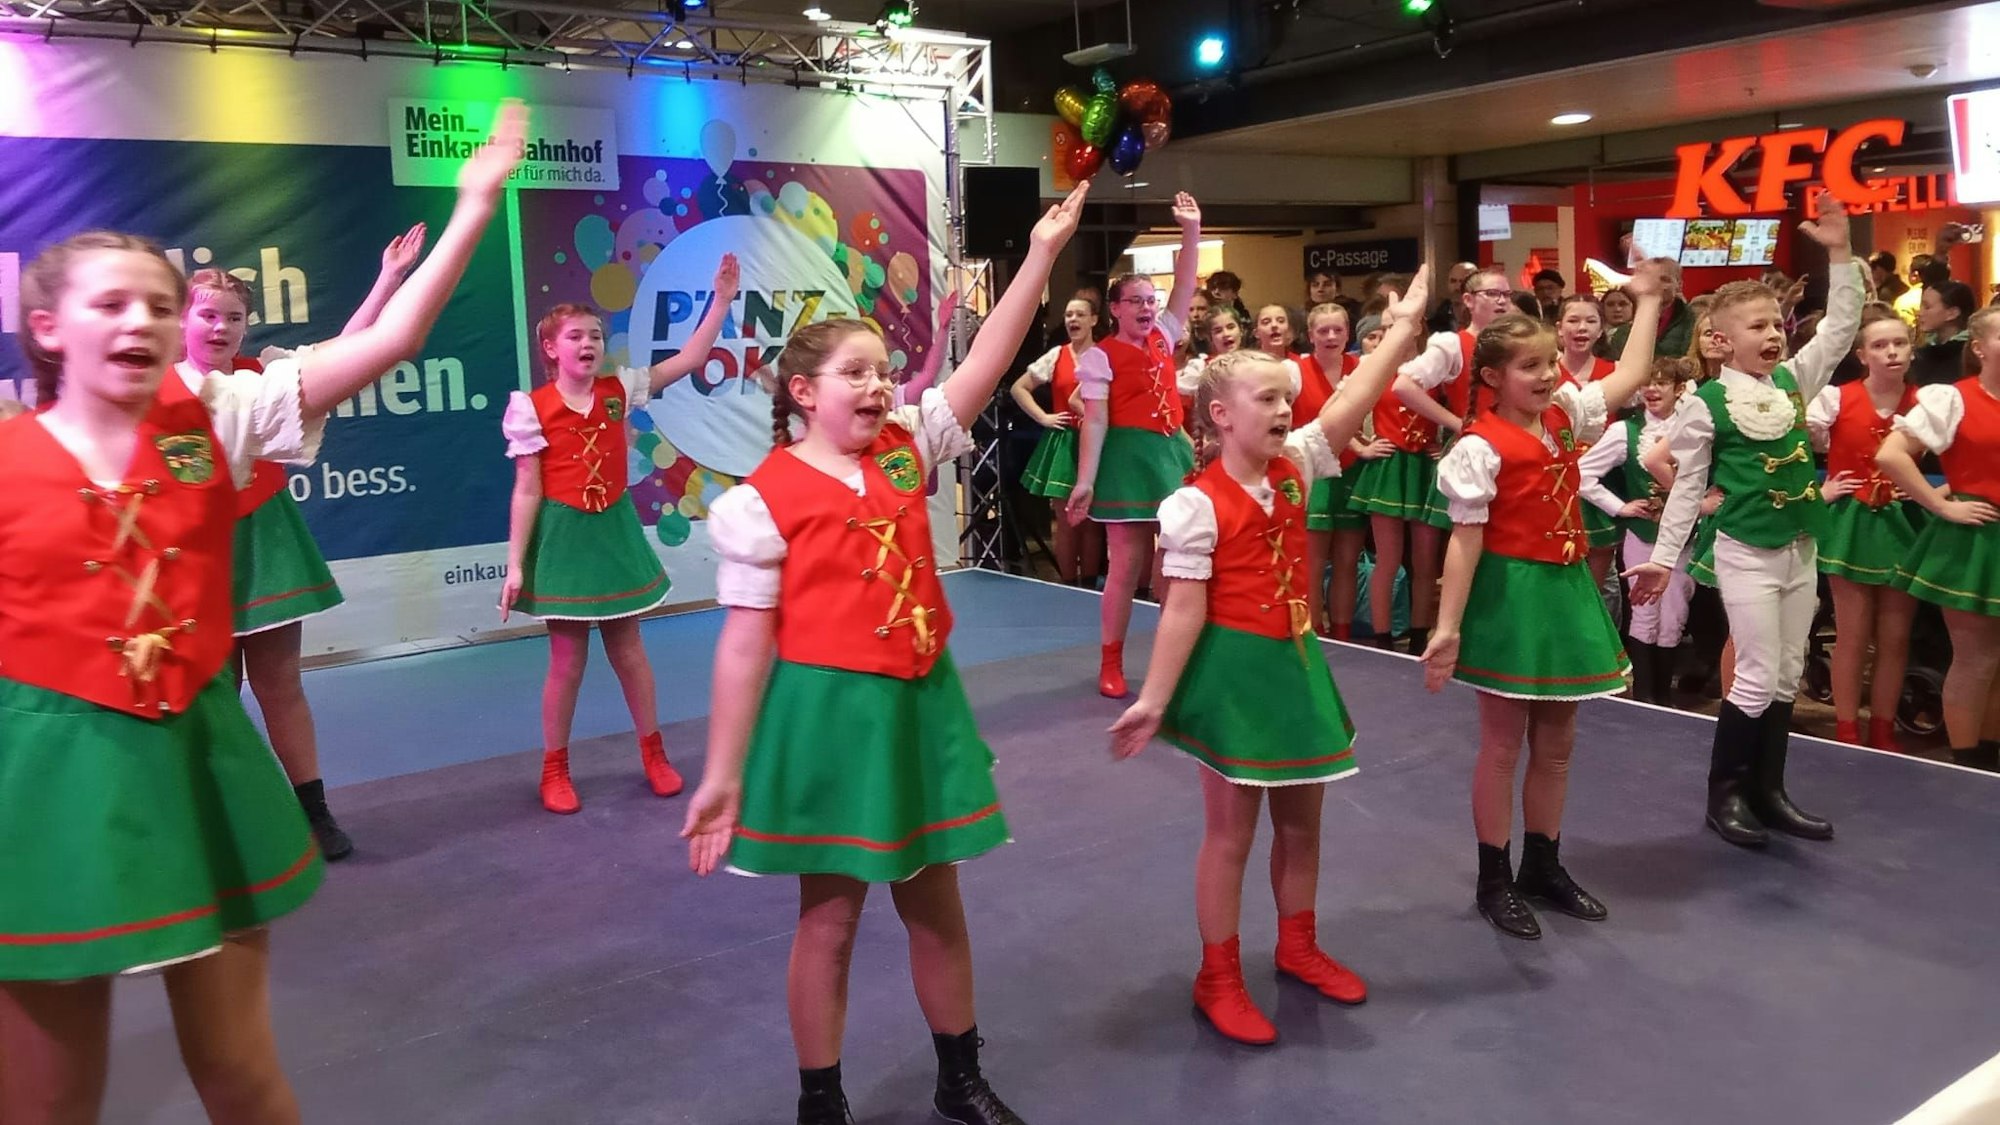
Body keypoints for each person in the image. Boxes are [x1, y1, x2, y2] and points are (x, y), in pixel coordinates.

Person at [0, 102, 525, 1124]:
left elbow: (395, 338)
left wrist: (474, 204)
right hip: (51, 783)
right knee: (47, 1104)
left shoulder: (221, 420)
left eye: (158, 304)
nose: (142, 322)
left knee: (241, 1075)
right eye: (112, 304)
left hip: (201, 764)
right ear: (50, 328)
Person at [679, 181, 1088, 1125]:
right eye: (855, 373)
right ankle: (821, 1101)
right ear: (802, 393)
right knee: (828, 918)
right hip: (831, 718)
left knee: (936, 902)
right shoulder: (760, 501)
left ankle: (961, 1076)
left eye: (882, 370)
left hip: (919, 705)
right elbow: (744, 647)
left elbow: (986, 361)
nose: (876, 385)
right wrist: (723, 774)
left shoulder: (908, 445)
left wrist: (1036, 254)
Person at [1107, 268, 1432, 1043]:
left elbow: (1352, 399)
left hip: (1296, 666)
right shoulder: (1192, 503)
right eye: (1269, 399)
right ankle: (1217, 972)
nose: (1287, 409)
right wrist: (1154, 697)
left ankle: (1298, 945)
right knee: (1231, 835)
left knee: (1305, 825)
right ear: (1220, 415)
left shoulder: (1299, 468)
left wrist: (1402, 328)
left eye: (1289, 397)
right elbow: (1183, 606)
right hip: (1234, 677)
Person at [1419, 263, 1664, 940]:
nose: (1549, 374)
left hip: (1563, 590)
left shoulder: (1564, 416)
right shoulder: (1479, 445)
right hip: (1510, 596)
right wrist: (1447, 627)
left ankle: (1543, 864)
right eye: (1531, 365)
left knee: (1557, 743)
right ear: (1494, 376)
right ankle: (1493, 876)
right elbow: (1464, 543)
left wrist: (1645, 302)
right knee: (1501, 745)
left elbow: (1632, 372)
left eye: (1552, 362)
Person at [173, 229, 426, 864]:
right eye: (207, 314)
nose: (220, 327)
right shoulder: (154, 391)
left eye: (234, 318)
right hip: (192, 553)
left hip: (265, 542)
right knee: (215, 690)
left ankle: (312, 812)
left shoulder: (265, 375)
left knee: (280, 682)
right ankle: (214, 816)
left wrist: (388, 279)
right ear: (181, 320)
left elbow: (346, 352)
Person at [1629, 194, 1863, 849]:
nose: (1772, 334)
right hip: (1745, 551)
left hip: (1799, 548)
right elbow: (1685, 491)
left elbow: (1841, 328)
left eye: (1775, 323)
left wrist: (1840, 253)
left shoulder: (1793, 382)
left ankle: (1770, 790)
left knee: (1788, 670)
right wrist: (1664, 558)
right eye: (1756, 326)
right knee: (1757, 671)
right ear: (1723, 339)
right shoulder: (1704, 404)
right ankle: (1726, 794)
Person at [500, 254, 741, 814]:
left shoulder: (621, 390)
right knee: (567, 660)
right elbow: (527, 490)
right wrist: (516, 565)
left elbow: (691, 358)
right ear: (551, 349)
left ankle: (654, 754)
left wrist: (722, 300)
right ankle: (554, 767)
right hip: (563, 540)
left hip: (614, 533)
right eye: (575, 336)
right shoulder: (530, 410)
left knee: (630, 651)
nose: (588, 343)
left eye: (595, 335)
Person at [1067, 192, 1205, 698]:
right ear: (1116, 309)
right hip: (1127, 460)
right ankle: (1112, 661)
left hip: (1170, 457)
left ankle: (1173, 660)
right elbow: (1096, 422)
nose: (1148, 308)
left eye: (1152, 300)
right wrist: (1085, 481)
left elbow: (1186, 285)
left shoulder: (1166, 337)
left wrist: (1192, 230)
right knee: (1125, 566)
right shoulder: (1099, 358)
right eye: (1137, 302)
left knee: (1176, 564)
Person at [1365, 267, 1516, 653]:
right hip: (1478, 457)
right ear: (1468, 301)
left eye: (1506, 294)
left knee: (1510, 548)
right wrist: (1458, 425)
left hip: (1517, 458)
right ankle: (1460, 634)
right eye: (1491, 294)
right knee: (1467, 547)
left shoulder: (1517, 343)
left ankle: (1501, 635)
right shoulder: (1452, 343)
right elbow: (1404, 385)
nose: (1501, 300)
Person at [1876, 305, 2000, 772]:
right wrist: (1943, 503)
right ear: (1979, 347)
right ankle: (1967, 762)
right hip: (1975, 538)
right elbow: (1891, 455)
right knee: (1976, 658)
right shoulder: (1955, 398)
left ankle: (1991, 756)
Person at [1806, 309, 1922, 750]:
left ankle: (1884, 729)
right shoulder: (1835, 399)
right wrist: (1826, 488)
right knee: (1852, 634)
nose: (1891, 352)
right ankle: (1847, 728)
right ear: (1861, 354)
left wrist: (1931, 493)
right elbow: (1803, 443)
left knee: (1895, 637)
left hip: (1904, 524)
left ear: (1912, 350)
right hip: (1851, 522)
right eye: (1879, 345)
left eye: (1899, 343)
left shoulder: (1928, 402)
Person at [1579, 358, 1695, 704]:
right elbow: (1582, 474)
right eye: (1648, 382)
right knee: (1644, 612)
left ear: (1679, 390)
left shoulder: (1697, 428)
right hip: (1642, 536)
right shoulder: (1624, 431)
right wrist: (1620, 507)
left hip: (1685, 538)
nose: (1652, 389)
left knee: (1674, 613)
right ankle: (1644, 696)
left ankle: (1664, 697)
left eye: (1661, 383)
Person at [1296, 303, 1388, 638]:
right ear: (1310, 336)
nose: (1331, 336)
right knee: (1313, 563)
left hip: (1354, 474)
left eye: (1338, 330)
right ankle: (1311, 632)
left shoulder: (1362, 368)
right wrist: (1359, 445)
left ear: (1349, 333)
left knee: (1348, 561)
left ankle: (1344, 634)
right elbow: (1316, 425)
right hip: (1314, 476)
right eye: (1323, 330)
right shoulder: (1294, 371)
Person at [1013, 294, 1106, 587]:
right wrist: (1044, 417)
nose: (1073, 320)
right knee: (1067, 522)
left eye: (1079, 314)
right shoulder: (1057, 355)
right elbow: (1019, 388)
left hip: (1100, 441)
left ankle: (1090, 584)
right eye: (1068, 315)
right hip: (1065, 444)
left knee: (1093, 522)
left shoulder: (1106, 355)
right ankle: (1067, 585)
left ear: (1094, 320)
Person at [1554, 294, 1623, 590]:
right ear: (1559, 328)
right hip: (1554, 477)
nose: (1581, 328)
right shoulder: (1544, 370)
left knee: (1600, 562)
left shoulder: (1617, 371)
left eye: (1590, 321)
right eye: (1573, 320)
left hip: (1602, 479)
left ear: (1600, 330)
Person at [1607, 259, 1696, 359]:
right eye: (1651, 279)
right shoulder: (1623, 331)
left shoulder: (1694, 322)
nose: (1656, 285)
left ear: (1679, 285)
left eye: (1664, 279)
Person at [1911, 279, 1976, 385]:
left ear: (1952, 313)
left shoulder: (1969, 354)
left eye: (1927, 307)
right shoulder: (1924, 349)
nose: (1920, 313)